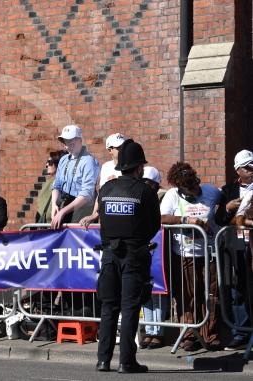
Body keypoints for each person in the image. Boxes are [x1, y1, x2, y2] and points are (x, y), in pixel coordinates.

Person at [96, 139, 160, 373]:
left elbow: (103, 222)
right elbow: (154, 225)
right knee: (130, 307)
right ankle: (126, 361)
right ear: (138, 167)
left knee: (108, 307)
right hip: (134, 255)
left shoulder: (106, 190)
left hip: (109, 255)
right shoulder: (144, 191)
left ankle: (103, 360)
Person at [160, 162, 222, 351]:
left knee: (211, 295)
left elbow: (225, 208)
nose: (195, 189)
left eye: (196, 183)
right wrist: (185, 220)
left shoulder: (211, 191)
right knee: (188, 295)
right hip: (184, 253)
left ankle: (210, 334)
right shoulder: (172, 196)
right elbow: (161, 217)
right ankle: (189, 334)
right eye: (190, 187)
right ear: (180, 188)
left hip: (209, 252)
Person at [216, 150, 253, 350]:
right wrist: (228, 207)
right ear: (238, 170)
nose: (251, 169)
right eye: (247, 166)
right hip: (236, 245)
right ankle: (241, 332)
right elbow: (218, 219)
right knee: (238, 289)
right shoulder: (228, 190)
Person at [139, 166, 168, 350]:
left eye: (148, 183)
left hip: (158, 250)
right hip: (143, 249)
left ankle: (158, 332)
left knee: (158, 291)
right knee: (146, 293)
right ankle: (149, 330)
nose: (145, 186)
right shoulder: (140, 196)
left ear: (155, 185)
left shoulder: (162, 197)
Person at [51, 125, 99, 228]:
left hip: (82, 210)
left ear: (80, 140)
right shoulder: (63, 159)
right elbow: (57, 185)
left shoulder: (88, 161)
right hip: (65, 206)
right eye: (65, 141)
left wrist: (63, 211)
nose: (67, 146)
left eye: (71, 141)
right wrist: (54, 205)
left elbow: (86, 195)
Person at [79, 133, 125, 227]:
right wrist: (93, 215)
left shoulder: (132, 167)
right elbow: (101, 194)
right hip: (107, 219)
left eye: (124, 146)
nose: (123, 149)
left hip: (125, 217)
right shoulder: (106, 167)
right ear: (110, 150)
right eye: (119, 147)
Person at [35, 151, 65, 223]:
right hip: (44, 223)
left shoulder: (62, 182)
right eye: (47, 162)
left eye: (50, 162)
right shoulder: (49, 182)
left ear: (58, 164)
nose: (47, 164)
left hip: (53, 223)